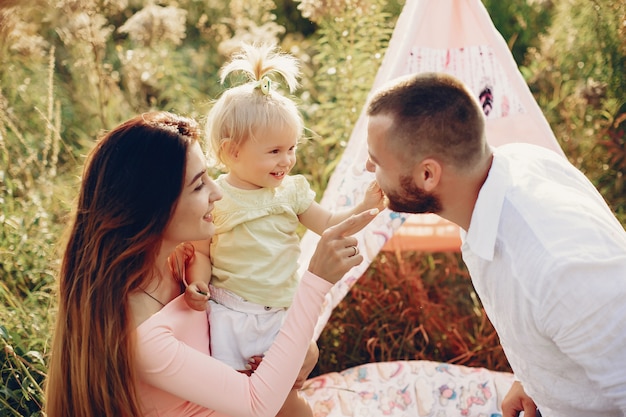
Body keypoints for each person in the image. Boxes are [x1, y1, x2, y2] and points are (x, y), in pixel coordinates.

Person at [44, 111, 379, 417]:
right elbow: (255, 403)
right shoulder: (141, 335)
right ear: (153, 207)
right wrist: (316, 281)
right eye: (198, 184)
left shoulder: (183, 262)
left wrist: (301, 350)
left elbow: (255, 316)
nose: (217, 193)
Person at [363, 72, 626, 417]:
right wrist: (534, 378)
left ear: (428, 175)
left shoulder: (559, 270)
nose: (368, 166)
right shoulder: (508, 169)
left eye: (377, 160)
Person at [181, 43, 385, 417]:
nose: (287, 160)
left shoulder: (291, 191)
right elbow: (202, 253)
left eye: (291, 148)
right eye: (275, 151)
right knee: (235, 400)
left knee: (289, 402)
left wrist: (365, 207)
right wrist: (197, 283)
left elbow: (328, 226)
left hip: (281, 317)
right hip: (230, 316)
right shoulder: (216, 196)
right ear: (231, 152)